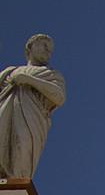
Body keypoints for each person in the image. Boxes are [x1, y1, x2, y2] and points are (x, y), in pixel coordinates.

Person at [0, 34, 65, 181]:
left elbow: (59, 97)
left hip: (31, 120)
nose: (48, 51)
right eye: (44, 45)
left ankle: (16, 186)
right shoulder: (10, 71)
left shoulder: (51, 74)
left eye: (50, 50)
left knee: (22, 152)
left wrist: (29, 80)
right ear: (29, 47)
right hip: (4, 114)